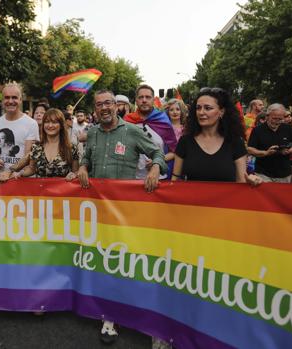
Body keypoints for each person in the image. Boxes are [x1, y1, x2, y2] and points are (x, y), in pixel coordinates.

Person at [76, 89, 167, 344]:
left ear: (116, 107)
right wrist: (83, 166)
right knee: (101, 261)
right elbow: (86, 159)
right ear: (95, 109)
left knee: (121, 262)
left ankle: (125, 312)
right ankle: (108, 314)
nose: (104, 107)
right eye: (99, 104)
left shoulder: (132, 131)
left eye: (108, 103)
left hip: (125, 212)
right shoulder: (92, 133)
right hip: (96, 211)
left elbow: (158, 153)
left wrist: (156, 167)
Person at [172, 87, 260, 184]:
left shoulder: (235, 142)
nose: (201, 112)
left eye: (208, 108)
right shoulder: (185, 141)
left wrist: (252, 182)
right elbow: (175, 180)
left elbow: (241, 181)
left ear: (221, 112)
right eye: (198, 108)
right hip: (191, 198)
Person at [124, 84, 177, 179]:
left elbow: (174, 152)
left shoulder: (162, 120)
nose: (144, 100)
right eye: (141, 97)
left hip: (159, 179)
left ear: (153, 99)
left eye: (148, 97)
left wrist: (157, 161)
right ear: (136, 100)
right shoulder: (128, 120)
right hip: (132, 178)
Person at [0, 84, 40, 181]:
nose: (10, 101)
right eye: (7, 98)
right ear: (2, 100)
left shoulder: (31, 124)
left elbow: (29, 155)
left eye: (14, 98)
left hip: (20, 180)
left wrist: (12, 172)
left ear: (20, 100)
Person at [17, 108, 79, 179]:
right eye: (46, 122)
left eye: (54, 122)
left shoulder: (71, 148)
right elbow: (32, 169)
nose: (50, 125)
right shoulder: (36, 147)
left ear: (61, 125)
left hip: (63, 189)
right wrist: (20, 174)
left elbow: (76, 171)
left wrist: (74, 174)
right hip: (40, 188)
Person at [247, 103, 292, 182]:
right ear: (267, 116)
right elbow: (250, 149)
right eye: (274, 118)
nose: (277, 122)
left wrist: (289, 151)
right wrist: (266, 153)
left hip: (284, 174)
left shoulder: (289, 129)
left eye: (280, 119)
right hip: (263, 173)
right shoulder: (257, 130)